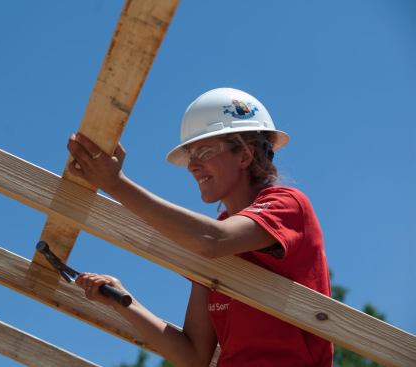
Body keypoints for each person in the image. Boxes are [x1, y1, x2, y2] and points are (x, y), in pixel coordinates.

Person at [67, 87, 333, 367]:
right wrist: (123, 300)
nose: (193, 166)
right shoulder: (206, 241)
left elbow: (212, 240)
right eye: (191, 155)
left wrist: (114, 184)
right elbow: (193, 355)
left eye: (204, 151)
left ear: (244, 155)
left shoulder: (287, 205)